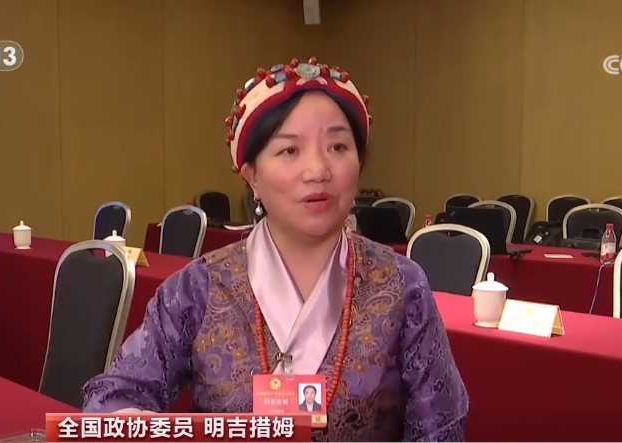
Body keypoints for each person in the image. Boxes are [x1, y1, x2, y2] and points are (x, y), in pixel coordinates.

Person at [81, 57, 469, 441]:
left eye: (338, 146)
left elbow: (440, 429)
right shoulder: (198, 288)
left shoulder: (401, 285)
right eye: (289, 151)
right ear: (251, 175)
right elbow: (114, 395)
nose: (318, 170)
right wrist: (129, 421)